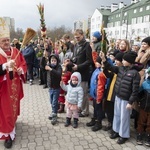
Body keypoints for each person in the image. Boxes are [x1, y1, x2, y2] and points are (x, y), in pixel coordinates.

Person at [100, 50, 143, 144]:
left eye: (124, 60)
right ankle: (116, 130)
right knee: (117, 115)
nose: (122, 61)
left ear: (130, 61)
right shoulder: (121, 69)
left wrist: (130, 102)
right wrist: (104, 59)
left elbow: (135, 90)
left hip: (126, 100)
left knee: (124, 118)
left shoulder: (135, 74)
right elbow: (110, 67)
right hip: (118, 97)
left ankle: (124, 135)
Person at [0, 17, 27, 149]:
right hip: (3, 89)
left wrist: (22, 70)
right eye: (3, 41)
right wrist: (5, 66)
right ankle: (9, 135)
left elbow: (23, 63)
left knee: (12, 110)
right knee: (6, 112)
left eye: (7, 40)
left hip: (15, 87)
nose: (6, 42)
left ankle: (12, 125)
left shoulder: (16, 51)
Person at [70, 29, 93, 117]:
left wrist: (78, 66)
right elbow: (75, 57)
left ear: (82, 35)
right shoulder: (76, 45)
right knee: (77, 93)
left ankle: (85, 111)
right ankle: (79, 109)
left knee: (83, 93)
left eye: (78, 37)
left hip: (83, 73)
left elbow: (89, 61)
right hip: (76, 73)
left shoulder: (87, 46)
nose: (77, 39)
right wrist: (71, 61)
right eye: (75, 37)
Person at [86, 56, 106, 131]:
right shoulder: (96, 70)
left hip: (99, 95)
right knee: (95, 108)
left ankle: (99, 123)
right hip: (94, 94)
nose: (96, 63)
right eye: (96, 62)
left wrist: (99, 97)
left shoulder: (102, 72)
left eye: (99, 62)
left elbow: (101, 86)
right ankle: (94, 119)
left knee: (99, 109)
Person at [45, 54, 62, 125]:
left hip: (56, 88)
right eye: (52, 60)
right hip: (51, 87)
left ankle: (54, 115)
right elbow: (43, 65)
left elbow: (58, 74)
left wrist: (51, 69)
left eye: (55, 60)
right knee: (51, 101)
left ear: (57, 61)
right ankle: (53, 112)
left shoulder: (59, 67)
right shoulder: (48, 66)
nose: (53, 62)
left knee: (54, 102)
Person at [136, 67, 150, 146]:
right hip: (144, 106)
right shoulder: (145, 84)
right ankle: (139, 135)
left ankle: (148, 136)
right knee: (141, 122)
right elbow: (139, 94)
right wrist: (139, 101)